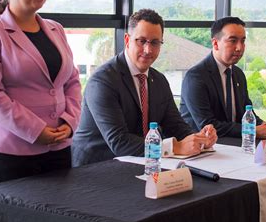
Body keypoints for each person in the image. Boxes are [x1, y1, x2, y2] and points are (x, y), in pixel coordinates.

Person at [0, 0, 82, 183]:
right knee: (19, 218)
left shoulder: (56, 29)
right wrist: (35, 130)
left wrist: (70, 122)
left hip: (59, 146)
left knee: (61, 215)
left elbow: (72, 81)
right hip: (11, 150)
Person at [72, 9, 217, 166]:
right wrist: (174, 147)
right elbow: (119, 142)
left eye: (155, 42)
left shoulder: (159, 80)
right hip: (97, 169)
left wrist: (199, 139)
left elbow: (175, 126)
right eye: (141, 41)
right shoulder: (102, 81)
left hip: (140, 162)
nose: (148, 50)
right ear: (127, 40)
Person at [180, 16, 266, 139]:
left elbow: (246, 112)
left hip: (234, 145)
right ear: (215, 43)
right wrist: (252, 130)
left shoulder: (238, 74)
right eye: (233, 41)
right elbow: (207, 125)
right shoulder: (195, 77)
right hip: (202, 148)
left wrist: (263, 125)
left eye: (243, 41)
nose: (239, 47)